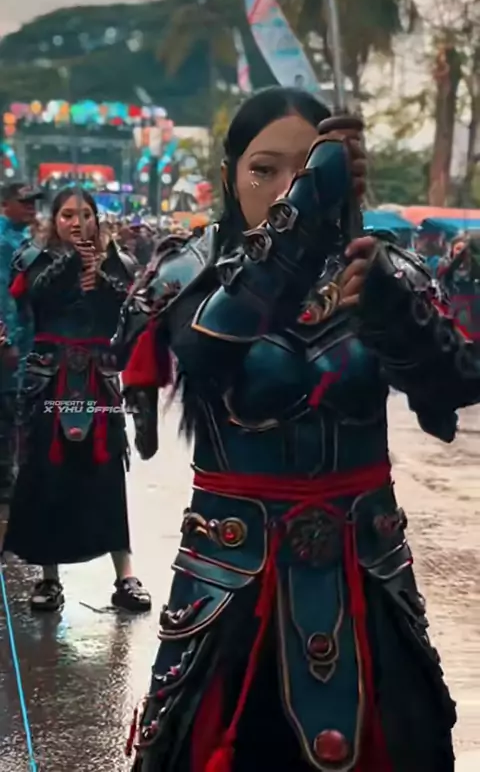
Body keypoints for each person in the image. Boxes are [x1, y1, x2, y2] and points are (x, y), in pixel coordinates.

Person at [114, 87, 480, 772]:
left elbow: (455, 387)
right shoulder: (190, 272)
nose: (284, 186)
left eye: (305, 167)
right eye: (265, 170)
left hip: (367, 572)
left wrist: (391, 310)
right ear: (230, 176)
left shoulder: (379, 266)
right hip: (230, 585)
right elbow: (210, 355)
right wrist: (310, 208)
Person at [3, 187, 151, 614]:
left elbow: (128, 313)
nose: (76, 222)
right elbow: (36, 297)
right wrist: (74, 262)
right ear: (55, 219)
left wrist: (100, 278)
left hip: (98, 383)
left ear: (96, 219)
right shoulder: (33, 258)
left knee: (107, 476)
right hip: (48, 381)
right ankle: (49, 578)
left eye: (85, 214)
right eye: (67, 214)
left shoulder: (118, 262)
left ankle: (125, 575)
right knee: (47, 477)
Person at [0, 182, 41, 548]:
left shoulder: (26, 240)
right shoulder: (3, 242)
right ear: (5, 204)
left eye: (34, 202)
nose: (30, 207)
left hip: (28, 346)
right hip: (8, 349)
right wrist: (6, 340)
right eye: (23, 201)